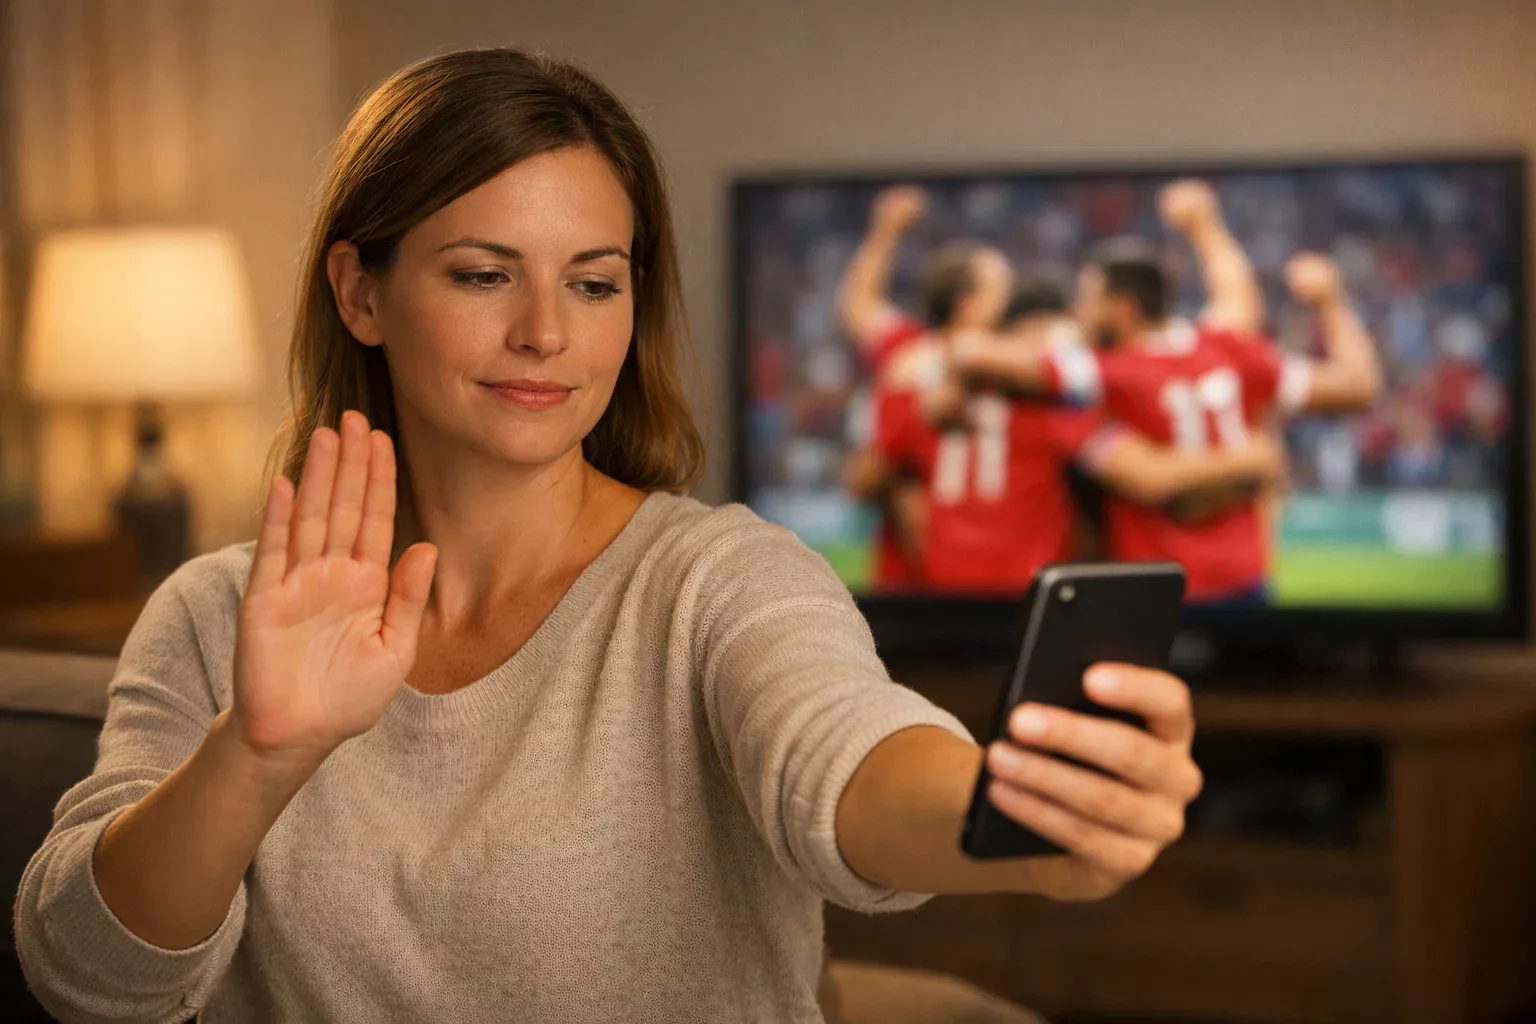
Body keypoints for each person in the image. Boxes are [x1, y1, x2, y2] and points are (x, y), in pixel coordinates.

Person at [16, 48, 1205, 1024]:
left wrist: (1014, 819)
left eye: (595, 283)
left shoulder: (718, 578)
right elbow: (87, 977)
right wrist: (255, 757)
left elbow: (843, 759)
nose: (548, 333)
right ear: (360, 291)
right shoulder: (217, 612)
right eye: (486, 274)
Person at [951, 241, 1382, 604]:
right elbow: (1358, 385)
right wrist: (1330, 301)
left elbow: (975, 354)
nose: (1079, 312)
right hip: (1246, 581)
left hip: (1157, 590)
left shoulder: (1102, 372)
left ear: (1121, 307)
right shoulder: (1226, 347)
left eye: (1088, 298)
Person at [892, 280, 1285, 593]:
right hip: (1039, 586)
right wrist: (1253, 460)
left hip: (949, 585)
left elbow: (886, 478)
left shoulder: (924, 385)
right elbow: (1153, 478)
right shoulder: (1057, 411)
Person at [836, 185, 1013, 590]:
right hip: (938, 573)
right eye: (999, 285)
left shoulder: (907, 354)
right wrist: (885, 231)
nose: (1009, 295)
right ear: (968, 301)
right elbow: (858, 307)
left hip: (948, 572)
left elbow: (857, 307)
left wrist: (886, 230)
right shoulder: (1021, 364)